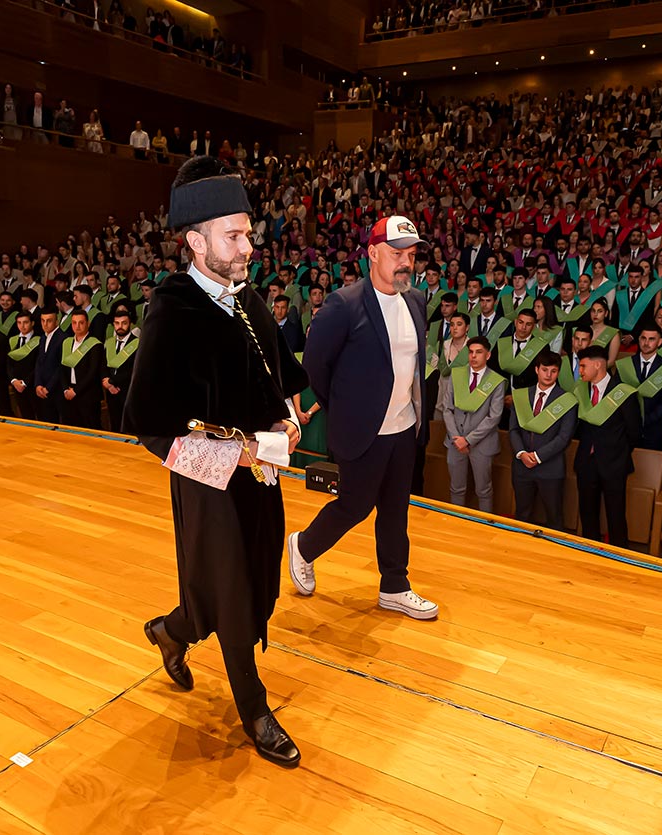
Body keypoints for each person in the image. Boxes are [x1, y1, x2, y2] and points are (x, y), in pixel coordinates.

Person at [123, 157, 308, 768]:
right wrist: (228, 455)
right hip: (206, 481)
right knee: (228, 586)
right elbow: (150, 424)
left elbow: (277, 382)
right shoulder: (172, 308)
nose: (248, 245)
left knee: (245, 580)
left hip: (260, 474)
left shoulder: (249, 300)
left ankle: (172, 632)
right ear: (195, 241)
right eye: (234, 235)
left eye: (248, 233)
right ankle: (253, 707)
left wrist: (285, 418)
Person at [289, 215, 439, 620]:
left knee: (395, 507)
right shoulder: (344, 304)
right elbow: (316, 366)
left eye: (411, 254)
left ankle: (395, 585)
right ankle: (302, 547)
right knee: (354, 506)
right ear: (372, 254)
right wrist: (343, 409)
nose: (406, 262)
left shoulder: (417, 301)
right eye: (396, 254)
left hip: (403, 427)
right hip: (363, 430)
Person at [573, 344, 641, 545]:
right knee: (587, 513)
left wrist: (614, 453)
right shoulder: (582, 391)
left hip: (614, 464)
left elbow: (635, 433)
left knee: (616, 515)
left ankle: (619, 557)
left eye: (583, 366)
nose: (580, 371)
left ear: (597, 365)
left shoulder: (623, 393)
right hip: (586, 462)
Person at [508, 348, 576, 528]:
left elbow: (564, 437)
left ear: (558, 373)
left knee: (554, 517)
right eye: (545, 370)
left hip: (550, 468)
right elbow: (513, 430)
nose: (549, 374)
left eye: (553, 371)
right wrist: (522, 453)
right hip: (522, 466)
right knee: (522, 514)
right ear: (537, 369)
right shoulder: (522, 395)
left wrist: (537, 457)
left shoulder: (566, 400)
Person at [441, 336, 505, 511]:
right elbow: (447, 408)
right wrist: (457, 438)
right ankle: (456, 525)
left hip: (482, 444)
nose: (473, 356)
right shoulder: (457, 374)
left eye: (478, 352)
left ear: (488, 355)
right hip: (455, 441)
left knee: (483, 490)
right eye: (470, 352)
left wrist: (468, 440)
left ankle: (483, 528)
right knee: (456, 488)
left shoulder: (496, 381)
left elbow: (494, 416)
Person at [615, 324, 662, 451]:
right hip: (625, 428)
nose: (646, 343)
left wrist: (646, 419)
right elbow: (616, 392)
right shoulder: (625, 364)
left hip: (653, 430)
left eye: (651, 339)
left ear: (659, 342)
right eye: (643, 338)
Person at [59, 310, 106, 428]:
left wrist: (75, 391)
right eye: (74, 323)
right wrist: (65, 389)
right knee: (72, 429)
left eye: (81, 323)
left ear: (88, 324)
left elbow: (93, 372)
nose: (77, 326)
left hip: (88, 395)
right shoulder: (67, 342)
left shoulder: (95, 344)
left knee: (91, 428)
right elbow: (62, 368)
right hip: (69, 393)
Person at [102, 308, 138, 432]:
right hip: (110, 393)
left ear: (130, 324)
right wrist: (107, 383)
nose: (120, 326)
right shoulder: (109, 343)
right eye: (117, 323)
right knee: (114, 426)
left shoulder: (137, 343)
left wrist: (112, 381)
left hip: (127, 392)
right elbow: (103, 365)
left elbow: (134, 370)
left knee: (128, 428)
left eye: (124, 323)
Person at [6, 309, 41, 419]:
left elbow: (38, 365)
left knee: (38, 415)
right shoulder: (12, 340)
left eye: (25, 322)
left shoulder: (39, 340)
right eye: (19, 323)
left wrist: (25, 382)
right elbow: (8, 363)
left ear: (32, 323)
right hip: (16, 385)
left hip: (32, 384)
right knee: (24, 414)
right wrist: (13, 380)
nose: (22, 326)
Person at [34, 309, 67, 423]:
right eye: (43, 321)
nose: (45, 324)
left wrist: (48, 387)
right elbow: (39, 362)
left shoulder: (63, 338)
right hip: (42, 388)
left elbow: (61, 366)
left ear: (57, 322)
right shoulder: (42, 338)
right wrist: (38, 384)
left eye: (49, 321)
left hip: (56, 389)